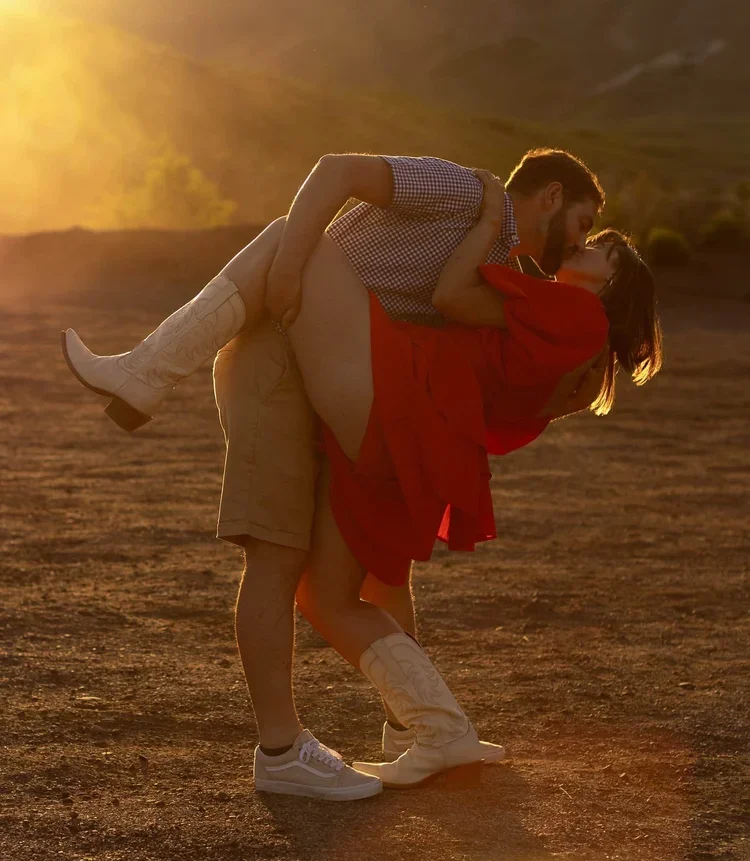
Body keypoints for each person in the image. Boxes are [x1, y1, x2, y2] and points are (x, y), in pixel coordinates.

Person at [62, 150, 610, 798]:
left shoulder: (500, 259)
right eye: (584, 219)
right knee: (277, 557)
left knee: (369, 574)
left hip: (339, 380)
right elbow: (333, 172)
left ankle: (416, 729)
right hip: (278, 354)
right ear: (551, 194)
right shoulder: (463, 192)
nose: (582, 238)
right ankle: (284, 748)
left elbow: (468, 329)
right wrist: (292, 266)